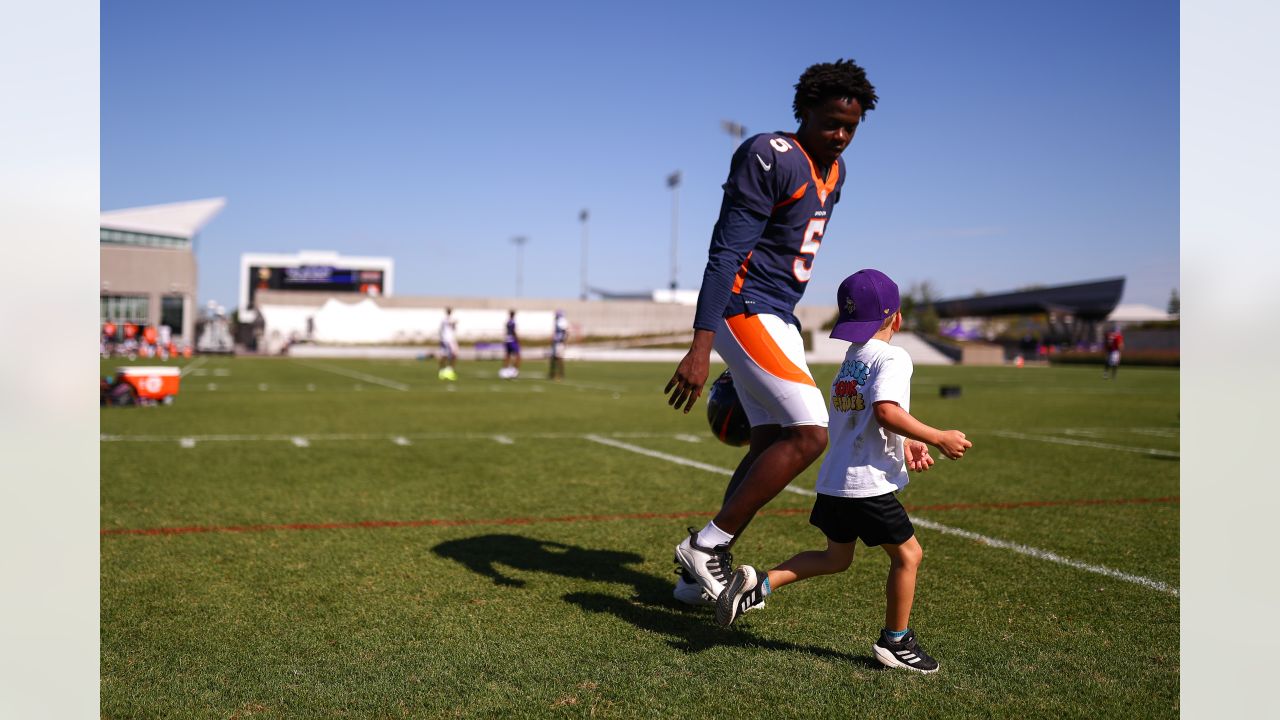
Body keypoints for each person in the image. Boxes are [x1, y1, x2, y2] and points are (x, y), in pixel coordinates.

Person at [663, 59, 879, 606]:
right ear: (804, 111)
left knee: (770, 443)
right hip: (743, 304)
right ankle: (706, 546)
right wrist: (700, 344)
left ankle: (694, 578)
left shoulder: (838, 172)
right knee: (811, 432)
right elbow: (725, 252)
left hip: (779, 312)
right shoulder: (769, 154)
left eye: (851, 127)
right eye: (831, 122)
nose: (841, 136)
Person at [715, 269, 972, 674]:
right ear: (896, 318)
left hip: (835, 483)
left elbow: (861, 421)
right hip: (867, 485)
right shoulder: (893, 357)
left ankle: (759, 584)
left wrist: (906, 443)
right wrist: (938, 435)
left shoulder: (851, 361)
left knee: (835, 557)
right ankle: (896, 641)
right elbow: (886, 412)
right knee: (909, 555)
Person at [438, 307, 459, 381]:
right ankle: (448, 371)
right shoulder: (449, 319)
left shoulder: (444, 320)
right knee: (453, 355)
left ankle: (442, 372)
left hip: (445, 340)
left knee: (444, 355)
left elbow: (441, 329)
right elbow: (453, 326)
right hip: (449, 340)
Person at [500, 309, 521, 379]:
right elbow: (513, 332)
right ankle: (514, 371)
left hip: (507, 340)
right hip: (512, 341)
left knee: (508, 355)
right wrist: (517, 339)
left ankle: (504, 370)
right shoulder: (513, 322)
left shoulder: (507, 322)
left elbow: (506, 332)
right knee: (518, 355)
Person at [549, 310, 568, 381]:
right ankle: (552, 374)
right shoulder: (558, 321)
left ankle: (560, 374)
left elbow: (565, 332)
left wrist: (563, 341)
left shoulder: (561, 321)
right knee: (553, 358)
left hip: (559, 343)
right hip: (556, 342)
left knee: (559, 358)